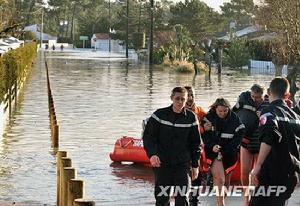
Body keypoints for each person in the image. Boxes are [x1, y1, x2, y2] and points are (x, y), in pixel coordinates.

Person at [143, 86, 201, 206]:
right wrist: (152, 154)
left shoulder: (191, 118)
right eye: (177, 99)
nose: (180, 102)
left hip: (182, 164)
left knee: (182, 197)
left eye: (183, 99)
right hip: (162, 163)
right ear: (172, 98)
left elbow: (196, 143)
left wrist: (195, 165)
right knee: (162, 198)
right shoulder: (159, 115)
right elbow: (148, 137)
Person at [250, 77, 300, 206]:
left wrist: (258, 166)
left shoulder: (268, 112)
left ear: (268, 92)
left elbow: (270, 136)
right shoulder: (295, 117)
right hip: (289, 174)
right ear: (287, 95)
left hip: (271, 173)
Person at [202, 98, 245, 206]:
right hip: (213, 152)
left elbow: (240, 133)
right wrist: (212, 146)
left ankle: (220, 200)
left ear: (228, 109)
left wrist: (229, 149)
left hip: (229, 152)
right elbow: (204, 136)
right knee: (220, 178)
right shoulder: (208, 118)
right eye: (220, 111)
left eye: (225, 111)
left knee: (226, 182)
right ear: (215, 109)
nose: (223, 113)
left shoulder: (234, 118)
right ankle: (221, 204)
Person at [232, 84, 265, 205]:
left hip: (261, 142)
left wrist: (262, 116)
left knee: (258, 173)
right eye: (253, 96)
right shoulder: (244, 100)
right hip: (246, 141)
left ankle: (257, 198)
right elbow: (233, 115)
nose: (255, 99)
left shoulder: (267, 104)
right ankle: (246, 197)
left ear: (263, 95)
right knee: (244, 172)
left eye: (258, 97)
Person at [184, 86, 206, 206]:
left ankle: (194, 200)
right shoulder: (176, 111)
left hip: (197, 150)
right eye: (188, 95)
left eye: (192, 95)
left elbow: (211, 127)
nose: (190, 98)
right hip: (181, 150)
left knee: (197, 175)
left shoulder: (200, 112)